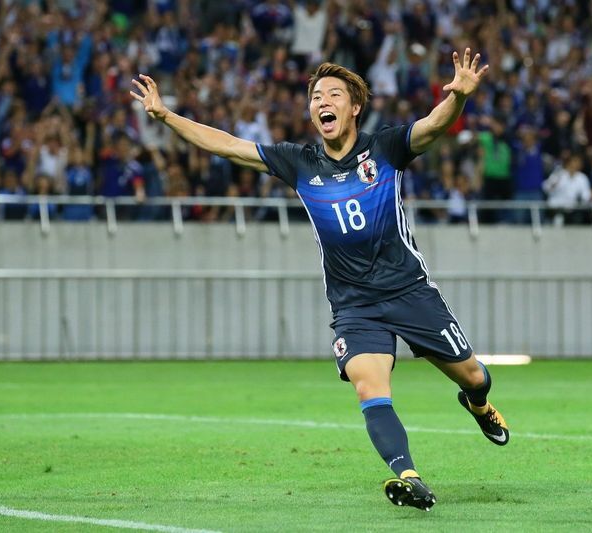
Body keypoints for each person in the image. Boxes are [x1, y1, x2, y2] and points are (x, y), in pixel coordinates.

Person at [131, 49, 508, 511]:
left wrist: (460, 99)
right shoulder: (300, 163)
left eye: (333, 94)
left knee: (473, 375)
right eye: (315, 96)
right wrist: (166, 115)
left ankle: (478, 405)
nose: (321, 101)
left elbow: (431, 125)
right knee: (370, 388)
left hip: (409, 291)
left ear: (354, 108)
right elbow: (227, 144)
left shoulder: (385, 148)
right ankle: (410, 477)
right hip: (354, 306)